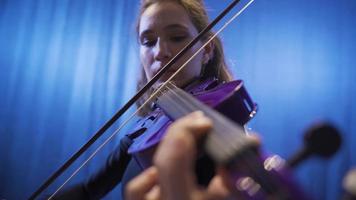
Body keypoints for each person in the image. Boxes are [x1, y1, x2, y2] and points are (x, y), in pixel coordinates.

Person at [54, 0, 239, 199]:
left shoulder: (222, 118)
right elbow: (87, 191)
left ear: (207, 50)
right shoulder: (144, 132)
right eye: (148, 42)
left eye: (177, 37)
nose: (160, 52)